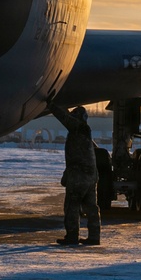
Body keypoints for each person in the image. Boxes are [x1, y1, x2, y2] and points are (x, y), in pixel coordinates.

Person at [46, 97, 101, 246]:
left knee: (72, 205)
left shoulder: (77, 127)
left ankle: (72, 236)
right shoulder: (85, 131)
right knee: (91, 207)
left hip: (79, 175)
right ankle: (94, 237)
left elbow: (63, 118)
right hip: (91, 175)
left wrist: (50, 105)